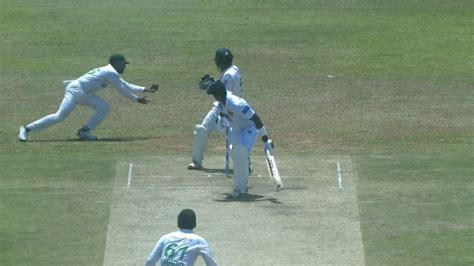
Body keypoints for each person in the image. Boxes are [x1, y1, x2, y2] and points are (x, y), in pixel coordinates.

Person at [18, 53, 158, 141]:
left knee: (104, 108)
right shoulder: (110, 73)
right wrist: (137, 99)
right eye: (122, 64)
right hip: (75, 91)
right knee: (59, 117)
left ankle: (84, 131)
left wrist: (145, 89)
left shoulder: (111, 73)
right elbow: (122, 89)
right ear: (115, 64)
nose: (124, 67)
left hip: (86, 94)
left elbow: (124, 84)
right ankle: (26, 129)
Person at [206, 80, 273, 198]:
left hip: (249, 128)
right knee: (236, 155)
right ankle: (246, 169)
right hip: (236, 130)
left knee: (240, 152)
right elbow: (224, 118)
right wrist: (221, 122)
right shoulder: (221, 103)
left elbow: (257, 119)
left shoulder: (238, 104)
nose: (214, 97)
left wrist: (265, 140)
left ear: (219, 95)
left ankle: (239, 189)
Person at [188, 48, 242, 170]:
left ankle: (246, 163)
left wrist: (211, 86)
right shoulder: (232, 70)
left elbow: (225, 95)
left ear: (219, 62)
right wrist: (214, 83)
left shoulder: (229, 74)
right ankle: (196, 161)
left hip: (230, 110)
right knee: (201, 130)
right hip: (220, 107)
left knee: (235, 140)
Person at [145, 209, 217, 266]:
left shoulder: (165, 238)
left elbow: (150, 260)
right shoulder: (199, 241)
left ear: (178, 223)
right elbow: (211, 263)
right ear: (195, 224)